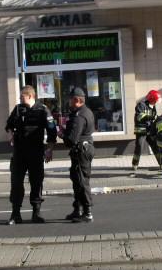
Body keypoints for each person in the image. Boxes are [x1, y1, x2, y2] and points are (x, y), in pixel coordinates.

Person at [5, 85, 57, 225]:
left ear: (30, 96)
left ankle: (36, 212)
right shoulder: (17, 109)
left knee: (36, 182)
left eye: (22, 96)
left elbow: (52, 132)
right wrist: (10, 135)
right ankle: (15, 214)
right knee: (16, 183)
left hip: (35, 152)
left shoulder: (42, 110)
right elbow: (9, 125)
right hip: (19, 153)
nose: (20, 98)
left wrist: (49, 150)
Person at [62, 87, 95, 222]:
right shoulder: (85, 111)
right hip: (83, 150)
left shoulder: (80, 115)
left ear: (76, 100)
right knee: (77, 180)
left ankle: (87, 212)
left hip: (81, 150)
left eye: (70, 99)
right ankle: (78, 209)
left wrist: (62, 134)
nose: (68, 102)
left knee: (82, 182)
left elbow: (72, 139)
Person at [132, 89, 162, 172]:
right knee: (139, 146)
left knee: (155, 146)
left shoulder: (153, 106)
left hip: (150, 130)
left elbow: (154, 117)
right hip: (141, 130)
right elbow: (139, 117)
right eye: (155, 100)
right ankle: (135, 164)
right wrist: (152, 117)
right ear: (152, 99)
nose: (156, 102)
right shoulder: (141, 105)